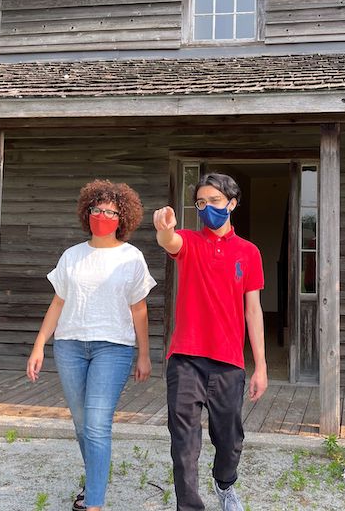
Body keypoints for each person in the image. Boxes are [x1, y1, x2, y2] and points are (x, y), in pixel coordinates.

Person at [27, 179, 156, 511]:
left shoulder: (132, 257)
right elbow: (58, 302)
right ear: (87, 213)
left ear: (122, 217)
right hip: (69, 345)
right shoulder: (72, 256)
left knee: (97, 423)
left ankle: (94, 502)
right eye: (97, 209)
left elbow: (139, 309)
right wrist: (40, 344)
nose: (103, 215)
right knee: (82, 423)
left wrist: (144, 354)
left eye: (111, 211)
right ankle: (96, 476)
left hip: (113, 348)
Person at [153, 172, 267, 511]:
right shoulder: (188, 241)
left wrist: (260, 366)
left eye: (214, 201)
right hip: (185, 358)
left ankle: (225, 482)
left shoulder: (248, 252)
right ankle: (189, 506)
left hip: (229, 361)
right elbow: (168, 241)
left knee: (230, 440)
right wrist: (164, 226)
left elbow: (254, 311)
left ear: (232, 203)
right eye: (201, 202)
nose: (207, 208)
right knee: (184, 441)